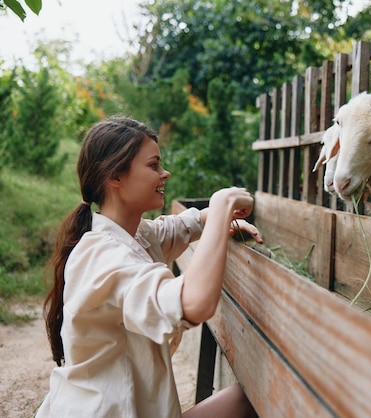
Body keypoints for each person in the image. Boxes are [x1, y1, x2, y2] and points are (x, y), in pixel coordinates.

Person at [37, 116, 262, 417]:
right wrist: (222, 205)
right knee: (244, 405)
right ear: (115, 176)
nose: (164, 173)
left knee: (245, 400)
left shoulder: (135, 234)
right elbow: (194, 304)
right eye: (154, 165)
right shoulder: (102, 256)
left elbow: (179, 226)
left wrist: (217, 218)